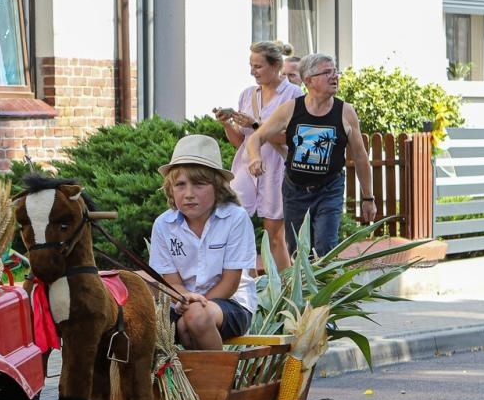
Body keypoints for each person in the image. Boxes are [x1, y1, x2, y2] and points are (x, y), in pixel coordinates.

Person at [257, 52, 376, 259]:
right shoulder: (292, 109)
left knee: (325, 248)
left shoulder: (345, 112)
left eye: (335, 71)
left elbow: (360, 157)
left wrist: (368, 197)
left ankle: (326, 291)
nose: (335, 76)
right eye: (327, 72)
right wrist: (253, 157)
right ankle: (303, 291)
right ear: (309, 80)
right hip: (295, 191)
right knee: (297, 251)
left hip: (329, 189)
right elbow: (256, 137)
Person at [149, 134, 257, 350]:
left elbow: (230, 283)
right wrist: (184, 299)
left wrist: (195, 305)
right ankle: (195, 382)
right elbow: (172, 282)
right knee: (164, 324)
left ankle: (221, 381)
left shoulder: (235, 218)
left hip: (232, 304)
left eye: (199, 185)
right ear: (170, 189)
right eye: (180, 185)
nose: (189, 194)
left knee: (195, 318)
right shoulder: (163, 225)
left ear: (217, 188)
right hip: (181, 303)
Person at [227, 41, 302, 272]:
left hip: (276, 167)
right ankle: (247, 287)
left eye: (258, 66)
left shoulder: (293, 94)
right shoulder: (247, 95)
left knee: (275, 234)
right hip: (246, 166)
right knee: (235, 223)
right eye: (251, 65)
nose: (253, 72)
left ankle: (286, 291)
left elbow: (292, 139)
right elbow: (241, 141)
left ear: (276, 65)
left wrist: (257, 125)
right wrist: (227, 123)